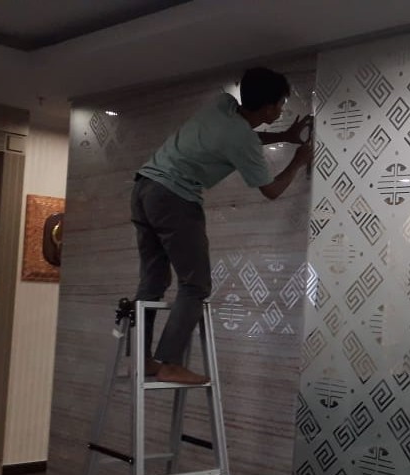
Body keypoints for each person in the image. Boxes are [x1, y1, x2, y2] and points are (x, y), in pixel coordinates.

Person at [131, 67, 313, 384]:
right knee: (196, 285)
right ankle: (169, 363)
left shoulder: (223, 104)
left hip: (144, 188)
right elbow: (271, 190)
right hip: (174, 197)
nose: (282, 109)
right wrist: (298, 161)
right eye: (281, 103)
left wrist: (284, 136)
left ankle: (141, 359)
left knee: (154, 279)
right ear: (269, 108)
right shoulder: (241, 137)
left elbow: (243, 138)